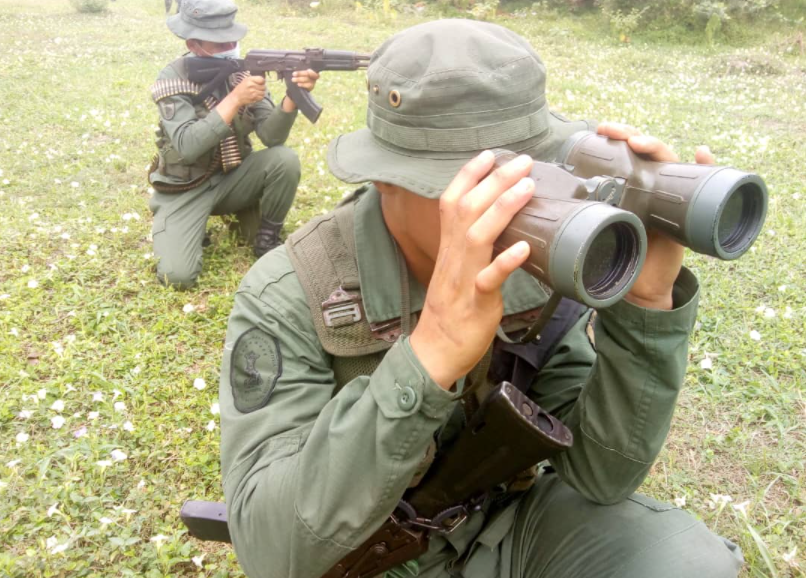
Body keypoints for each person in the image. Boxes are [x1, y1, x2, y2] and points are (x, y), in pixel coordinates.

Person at [218, 19, 744, 578]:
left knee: (686, 562)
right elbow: (271, 552)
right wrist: (430, 356)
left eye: (534, 177)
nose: (516, 208)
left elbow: (600, 474)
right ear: (387, 178)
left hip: (499, 531)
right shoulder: (294, 291)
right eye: (481, 185)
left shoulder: (528, 272)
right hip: (365, 558)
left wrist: (645, 305)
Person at [148, 0, 318, 289]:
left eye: (232, 39)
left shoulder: (243, 72)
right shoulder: (173, 78)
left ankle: (267, 237)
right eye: (219, 42)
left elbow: (272, 138)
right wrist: (235, 99)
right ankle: (176, 219)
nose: (230, 46)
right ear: (194, 43)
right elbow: (188, 146)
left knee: (284, 159)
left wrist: (293, 95)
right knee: (176, 277)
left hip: (232, 179)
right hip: (185, 188)